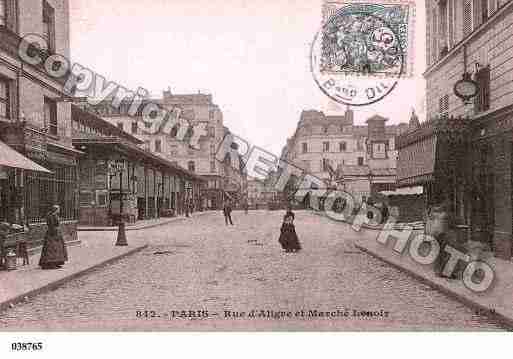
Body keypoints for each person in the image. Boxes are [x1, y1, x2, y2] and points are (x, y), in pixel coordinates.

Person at [39, 205, 68, 270]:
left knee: (57, 249)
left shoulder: (54, 215)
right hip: (52, 234)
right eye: (58, 209)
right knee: (52, 249)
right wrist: (55, 231)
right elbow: (51, 225)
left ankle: (56, 263)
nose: (59, 210)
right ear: (55, 209)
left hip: (56, 233)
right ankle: (50, 264)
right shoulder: (51, 216)